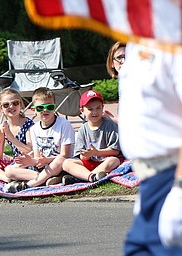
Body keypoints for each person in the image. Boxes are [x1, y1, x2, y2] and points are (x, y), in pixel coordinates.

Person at [119, 42, 182, 254]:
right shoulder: (136, 43)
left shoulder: (174, 40)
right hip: (151, 182)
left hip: (171, 176)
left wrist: (179, 189)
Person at [4, 87, 75, 192]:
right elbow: (37, 158)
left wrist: (47, 160)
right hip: (42, 167)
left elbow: (66, 155)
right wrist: (30, 161)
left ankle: (31, 184)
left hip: (59, 165)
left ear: (55, 107)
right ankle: (46, 178)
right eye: (40, 108)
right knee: (9, 170)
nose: (45, 110)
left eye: (49, 107)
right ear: (33, 110)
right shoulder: (34, 129)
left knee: (60, 161)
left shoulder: (64, 125)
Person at [62, 90, 123, 185]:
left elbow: (115, 151)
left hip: (106, 161)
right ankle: (91, 177)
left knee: (113, 160)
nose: (95, 112)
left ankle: (81, 177)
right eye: (90, 109)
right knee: (67, 163)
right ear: (82, 111)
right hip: (91, 162)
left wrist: (97, 152)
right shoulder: (83, 129)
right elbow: (80, 155)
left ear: (103, 108)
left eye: (98, 108)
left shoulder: (109, 125)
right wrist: (86, 155)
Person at [104, 41, 127, 124]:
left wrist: (113, 119)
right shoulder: (123, 82)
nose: (124, 61)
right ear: (111, 63)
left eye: (127, 56)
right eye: (119, 57)